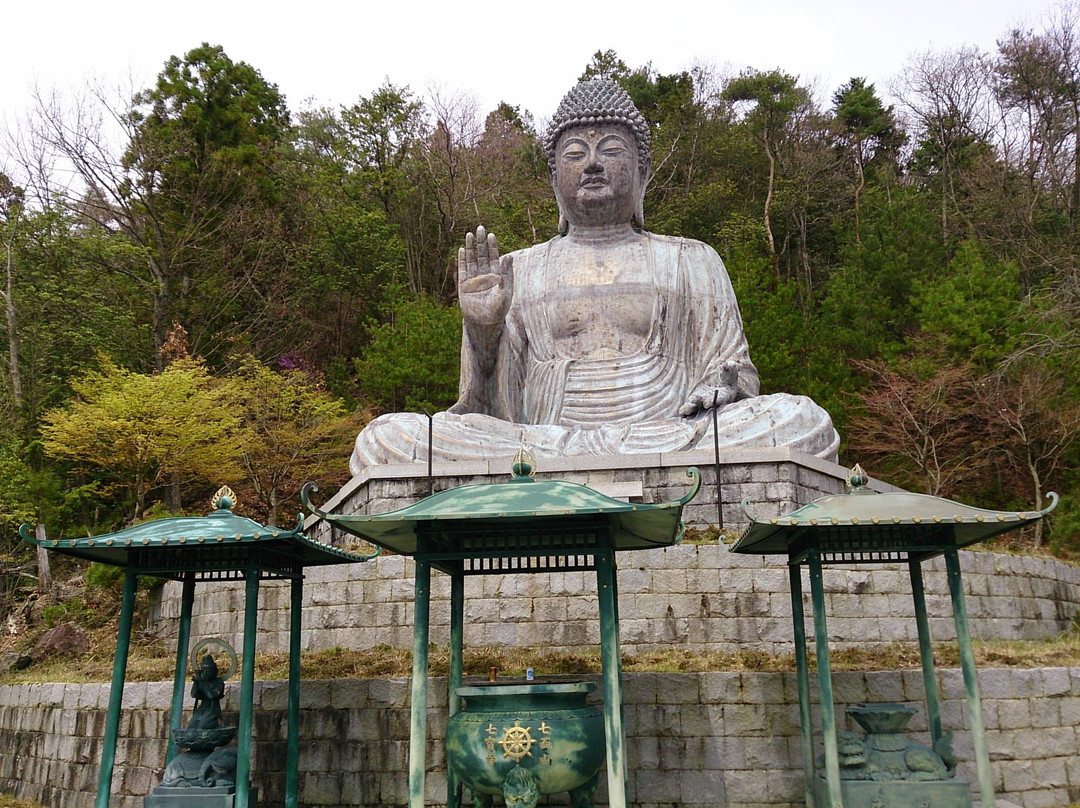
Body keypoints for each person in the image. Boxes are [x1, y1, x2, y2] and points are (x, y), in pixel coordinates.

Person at [350, 79, 838, 474]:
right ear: (553, 179)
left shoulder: (692, 259)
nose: (593, 164)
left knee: (801, 419)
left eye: (610, 149)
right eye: (574, 154)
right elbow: (486, 412)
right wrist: (483, 333)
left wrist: (721, 385)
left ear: (643, 172)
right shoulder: (517, 269)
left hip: (664, 434)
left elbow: (734, 373)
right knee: (386, 438)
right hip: (541, 442)